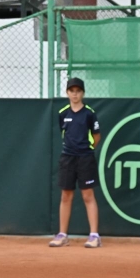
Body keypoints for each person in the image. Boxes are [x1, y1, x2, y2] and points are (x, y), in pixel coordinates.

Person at [49, 78, 102, 248]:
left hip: (85, 158)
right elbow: (64, 133)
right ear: (67, 93)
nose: (75, 94)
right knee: (66, 195)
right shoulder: (63, 113)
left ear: (83, 93)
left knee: (88, 195)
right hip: (67, 158)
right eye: (72, 91)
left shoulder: (89, 113)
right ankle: (63, 235)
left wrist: (87, 149)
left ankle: (94, 236)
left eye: (78, 91)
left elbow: (96, 136)